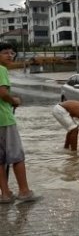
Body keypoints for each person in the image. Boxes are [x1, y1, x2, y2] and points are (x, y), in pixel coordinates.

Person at [0, 42, 40, 203]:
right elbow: (2, 92)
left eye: (12, 53)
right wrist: (14, 100)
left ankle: (5, 194)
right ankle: (24, 192)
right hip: (4, 119)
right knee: (17, 156)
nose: (10, 55)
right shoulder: (1, 70)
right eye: (5, 53)